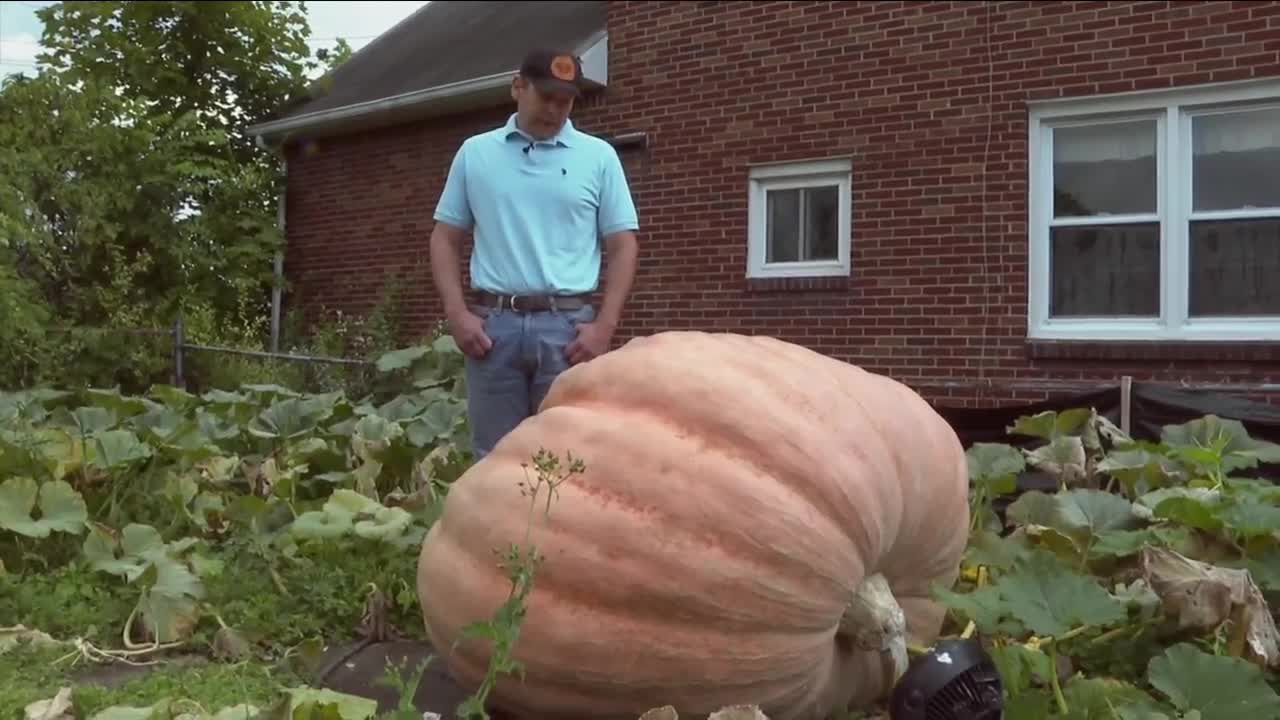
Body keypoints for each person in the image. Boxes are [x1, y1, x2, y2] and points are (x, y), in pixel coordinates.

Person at [428, 47, 640, 460]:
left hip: (568, 333)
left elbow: (623, 243)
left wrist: (604, 326)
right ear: (517, 87)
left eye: (566, 101)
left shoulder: (599, 158)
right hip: (493, 331)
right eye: (546, 98)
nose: (556, 110)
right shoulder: (476, 153)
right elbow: (444, 237)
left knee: (565, 457)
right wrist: (457, 314)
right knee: (494, 459)